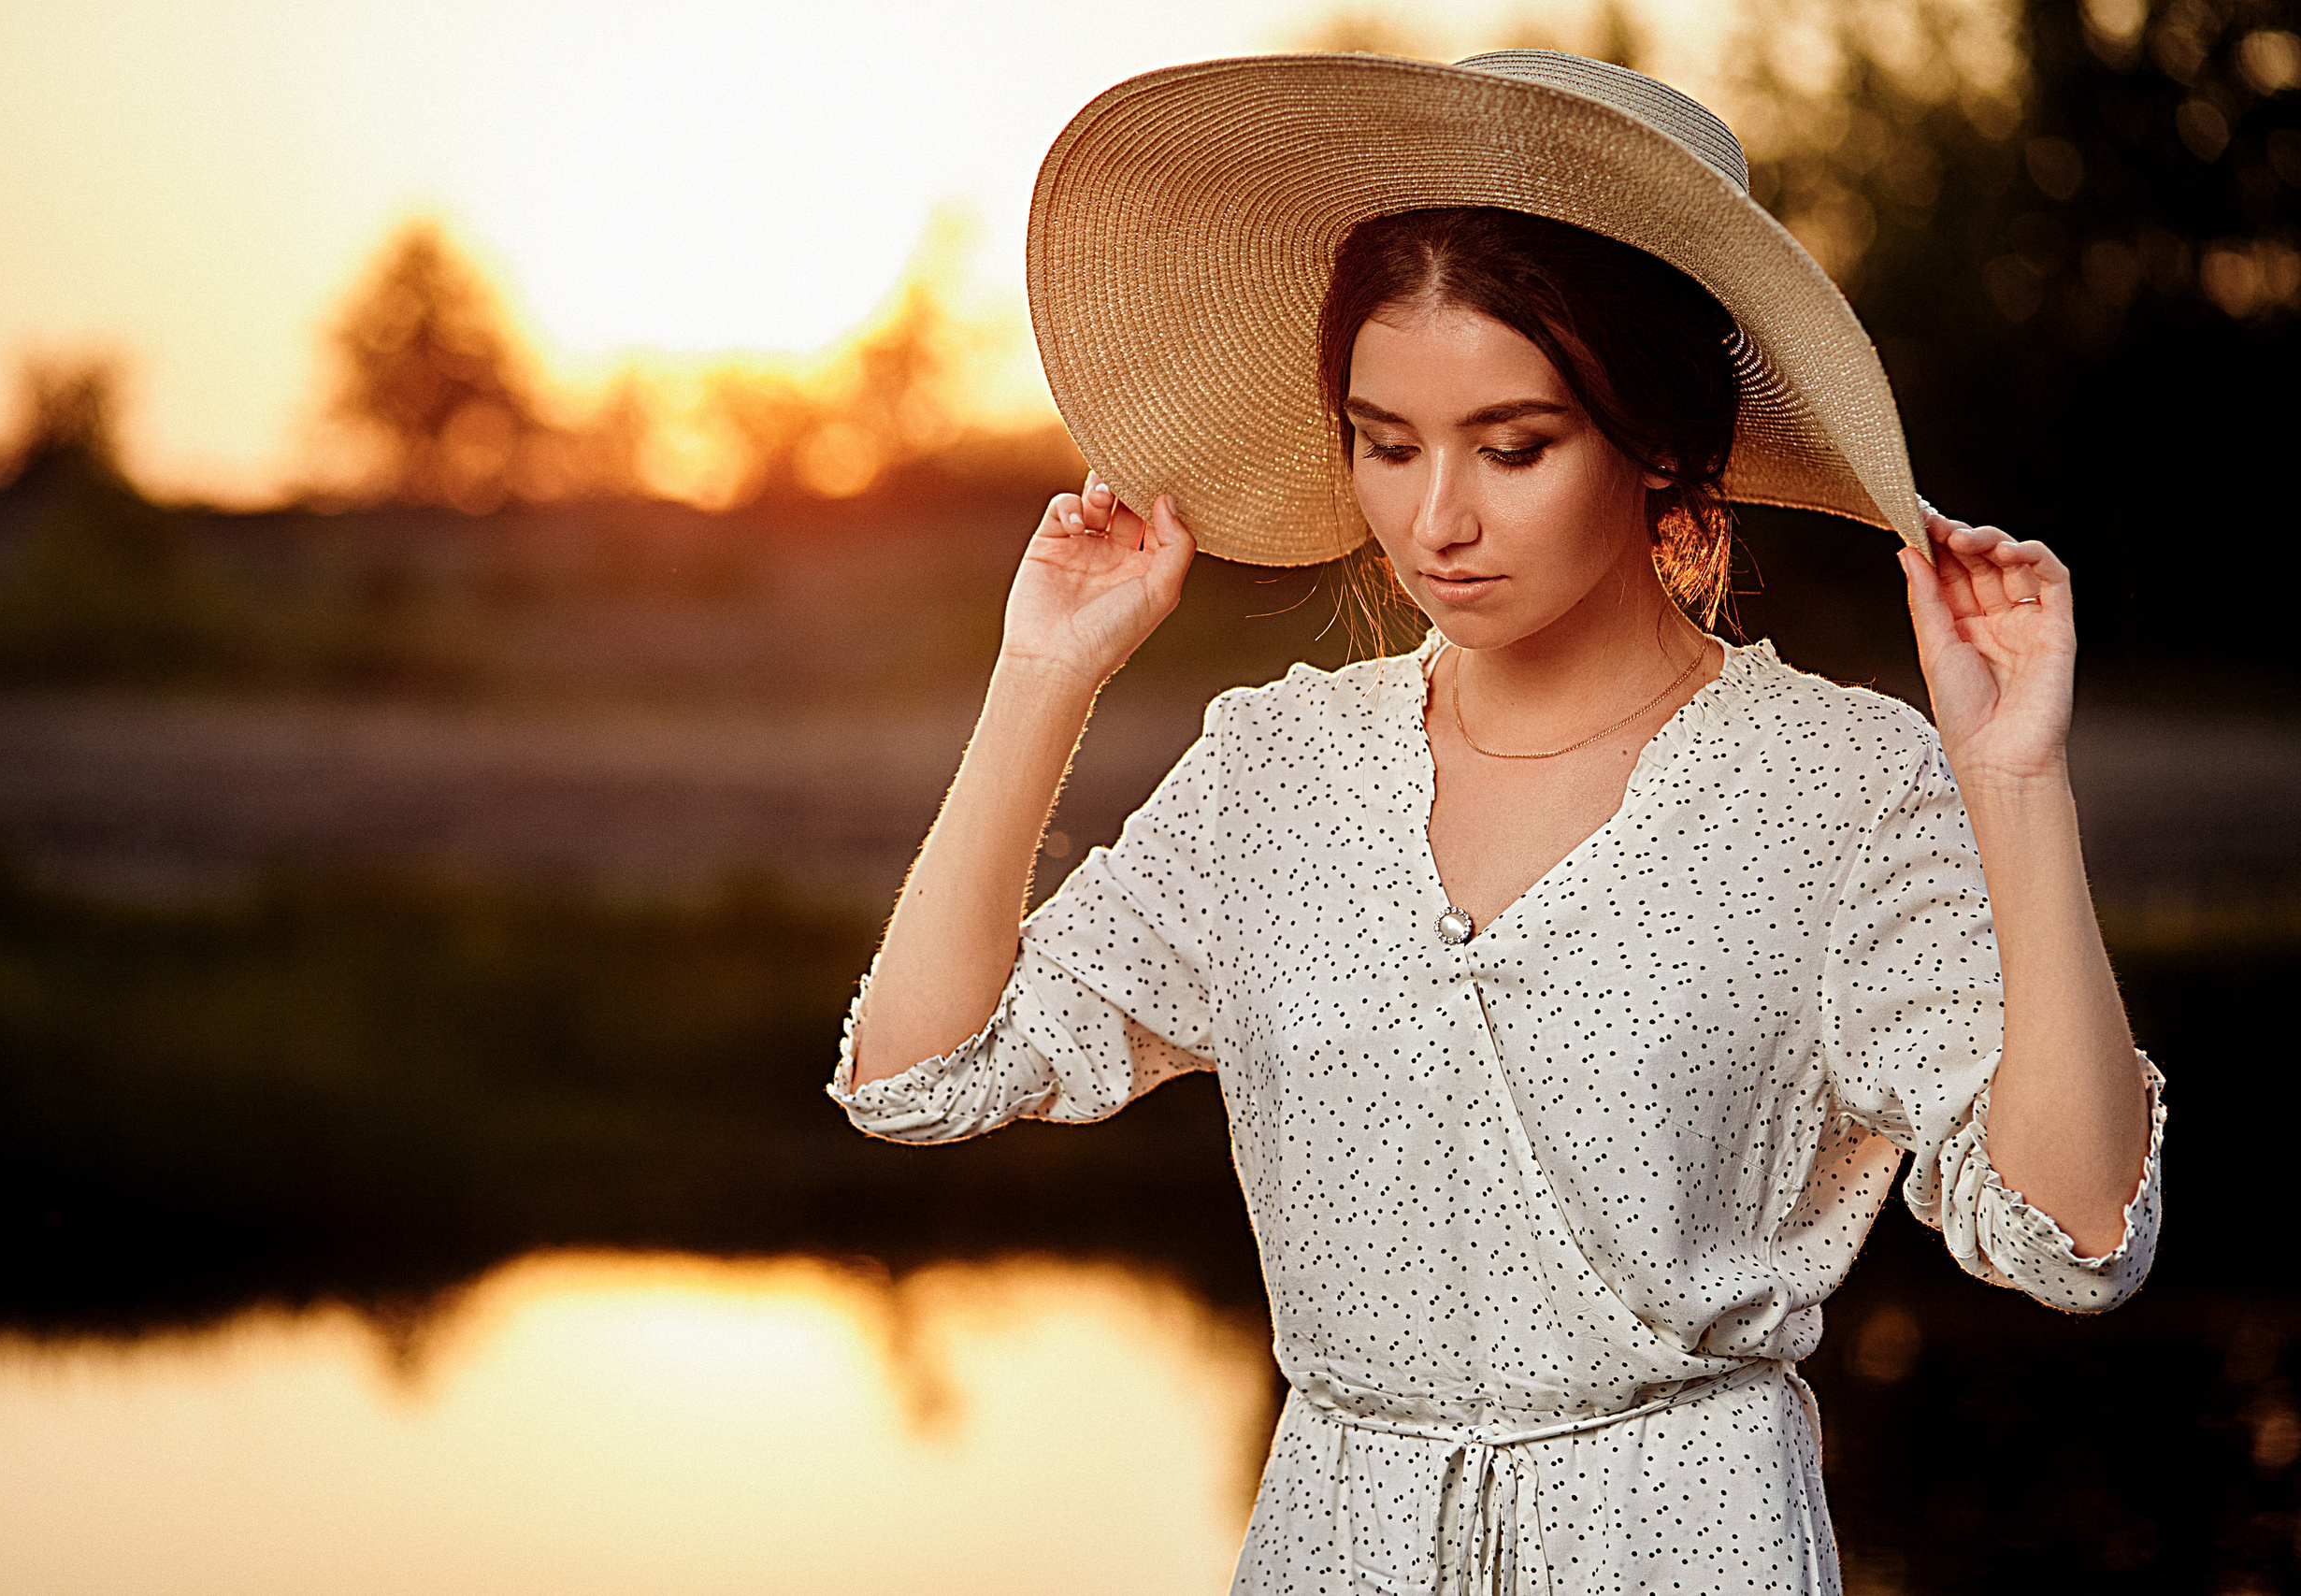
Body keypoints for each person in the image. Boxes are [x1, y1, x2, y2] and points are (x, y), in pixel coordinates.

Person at [830, 50, 2162, 1593]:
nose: (1434, 519)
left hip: (1686, 1550)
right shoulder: (1281, 771)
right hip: (1337, 1546)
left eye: (1511, 448)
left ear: (1660, 440)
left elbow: (2074, 1237)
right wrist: (1042, 673)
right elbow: (918, 1077)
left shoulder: (1835, 786)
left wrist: (2012, 778)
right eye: (1386, 443)